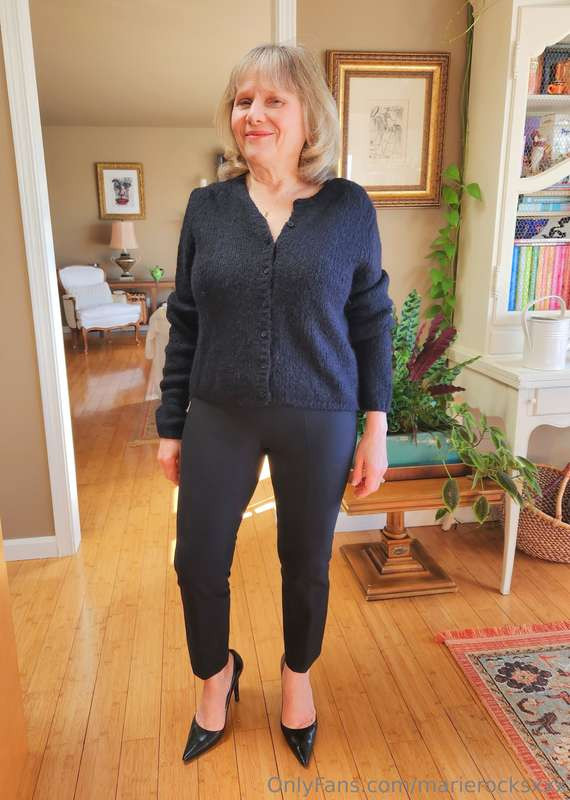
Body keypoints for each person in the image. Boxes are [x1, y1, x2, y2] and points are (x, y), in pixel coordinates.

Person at [156, 43, 395, 768]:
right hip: (219, 411)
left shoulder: (348, 208)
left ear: (307, 117)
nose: (253, 114)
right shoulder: (208, 208)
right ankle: (216, 676)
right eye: (242, 101)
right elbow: (185, 320)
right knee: (197, 559)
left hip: (320, 412)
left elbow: (372, 319)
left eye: (272, 101)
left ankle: (297, 677)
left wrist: (376, 427)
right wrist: (170, 426)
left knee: (306, 562)